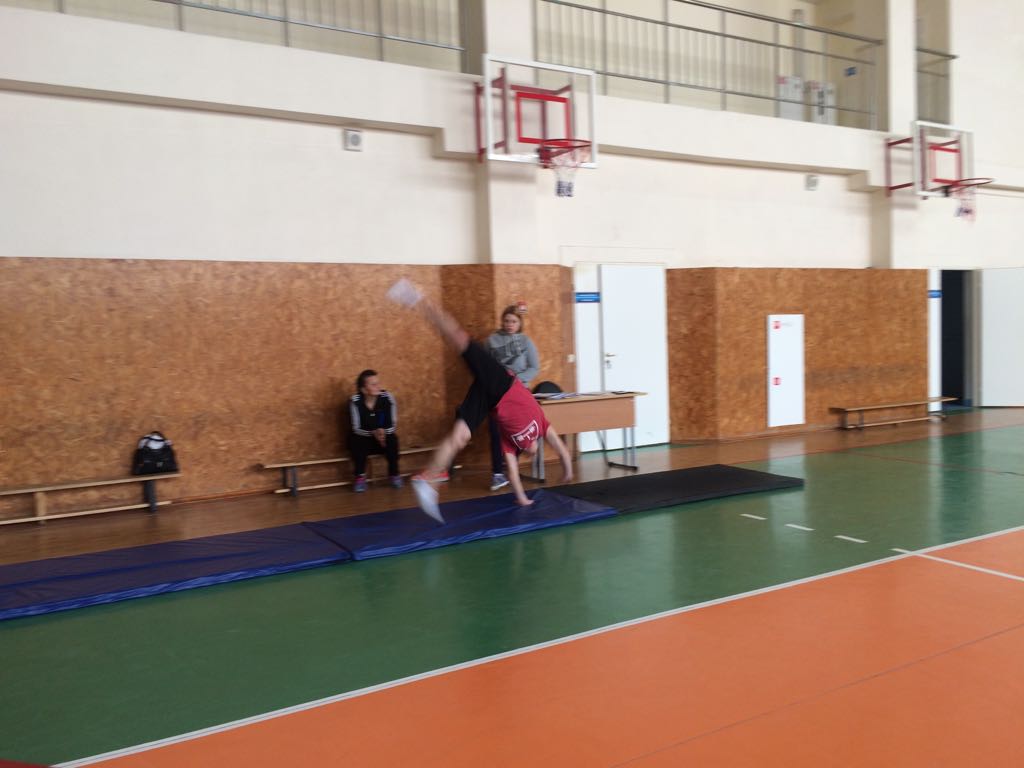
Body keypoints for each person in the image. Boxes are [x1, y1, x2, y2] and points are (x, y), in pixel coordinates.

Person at [386, 279, 573, 522]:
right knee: (458, 338)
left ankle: (428, 480)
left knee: (461, 436)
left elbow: (512, 472)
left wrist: (522, 498)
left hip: (490, 399)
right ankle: (415, 298)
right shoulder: (541, 425)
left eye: (529, 456)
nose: (532, 454)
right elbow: (561, 450)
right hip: (503, 382)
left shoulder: (510, 443)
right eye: (534, 453)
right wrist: (568, 469)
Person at [486, 306, 540, 492]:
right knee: (495, 432)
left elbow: (534, 367)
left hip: (520, 393)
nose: (510, 325)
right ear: (502, 321)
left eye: (514, 321)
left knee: (517, 432)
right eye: (507, 321)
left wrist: (516, 380)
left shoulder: (526, 341)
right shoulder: (491, 341)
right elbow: (485, 366)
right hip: (497, 394)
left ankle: (512, 468)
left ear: (519, 323)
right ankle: (497, 474)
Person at [348, 370, 403, 492]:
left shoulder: (387, 397)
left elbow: (392, 424)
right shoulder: (355, 401)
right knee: (356, 440)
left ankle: (394, 474)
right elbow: (356, 428)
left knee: (392, 439)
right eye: (373, 384)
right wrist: (373, 432)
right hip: (365, 439)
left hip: (383, 438)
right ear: (363, 389)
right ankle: (360, 477)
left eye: (378, 383)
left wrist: (383, 432)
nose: (378, 386)